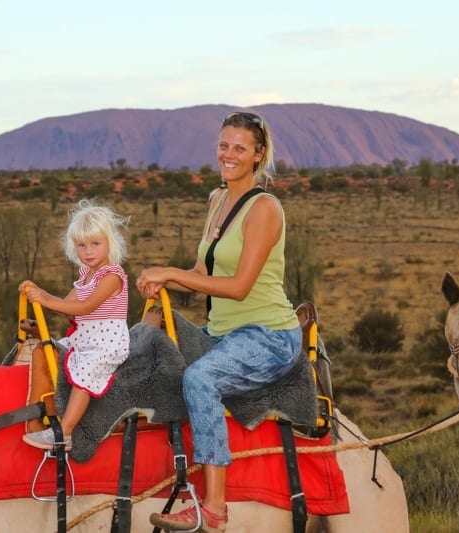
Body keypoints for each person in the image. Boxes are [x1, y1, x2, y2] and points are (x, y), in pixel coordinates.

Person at [137, 111, 301, 533]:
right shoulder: (217, 200)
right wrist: (164, 293)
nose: (228, 154)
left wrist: (170, 272)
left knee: (199, 380)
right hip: (225, 332)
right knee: (152, 349)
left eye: (239, 148)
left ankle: (213, 508)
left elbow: (241, 286)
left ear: (258, 155)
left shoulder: (265, 208)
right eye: (224, 145)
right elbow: (202, 274)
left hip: (268, 337)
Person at [19, 199, 130, 450]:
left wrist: (45, 299)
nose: (88, 251)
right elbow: (64, 303)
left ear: (110, 243)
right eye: (81, 245)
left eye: (95, 244)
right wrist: (39, 293)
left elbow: (84, 307)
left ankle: (65, 432)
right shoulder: (86, 274)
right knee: (54, 350)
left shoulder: (112, 276)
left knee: (85, 370)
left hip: (106, 343)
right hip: (86, 337)